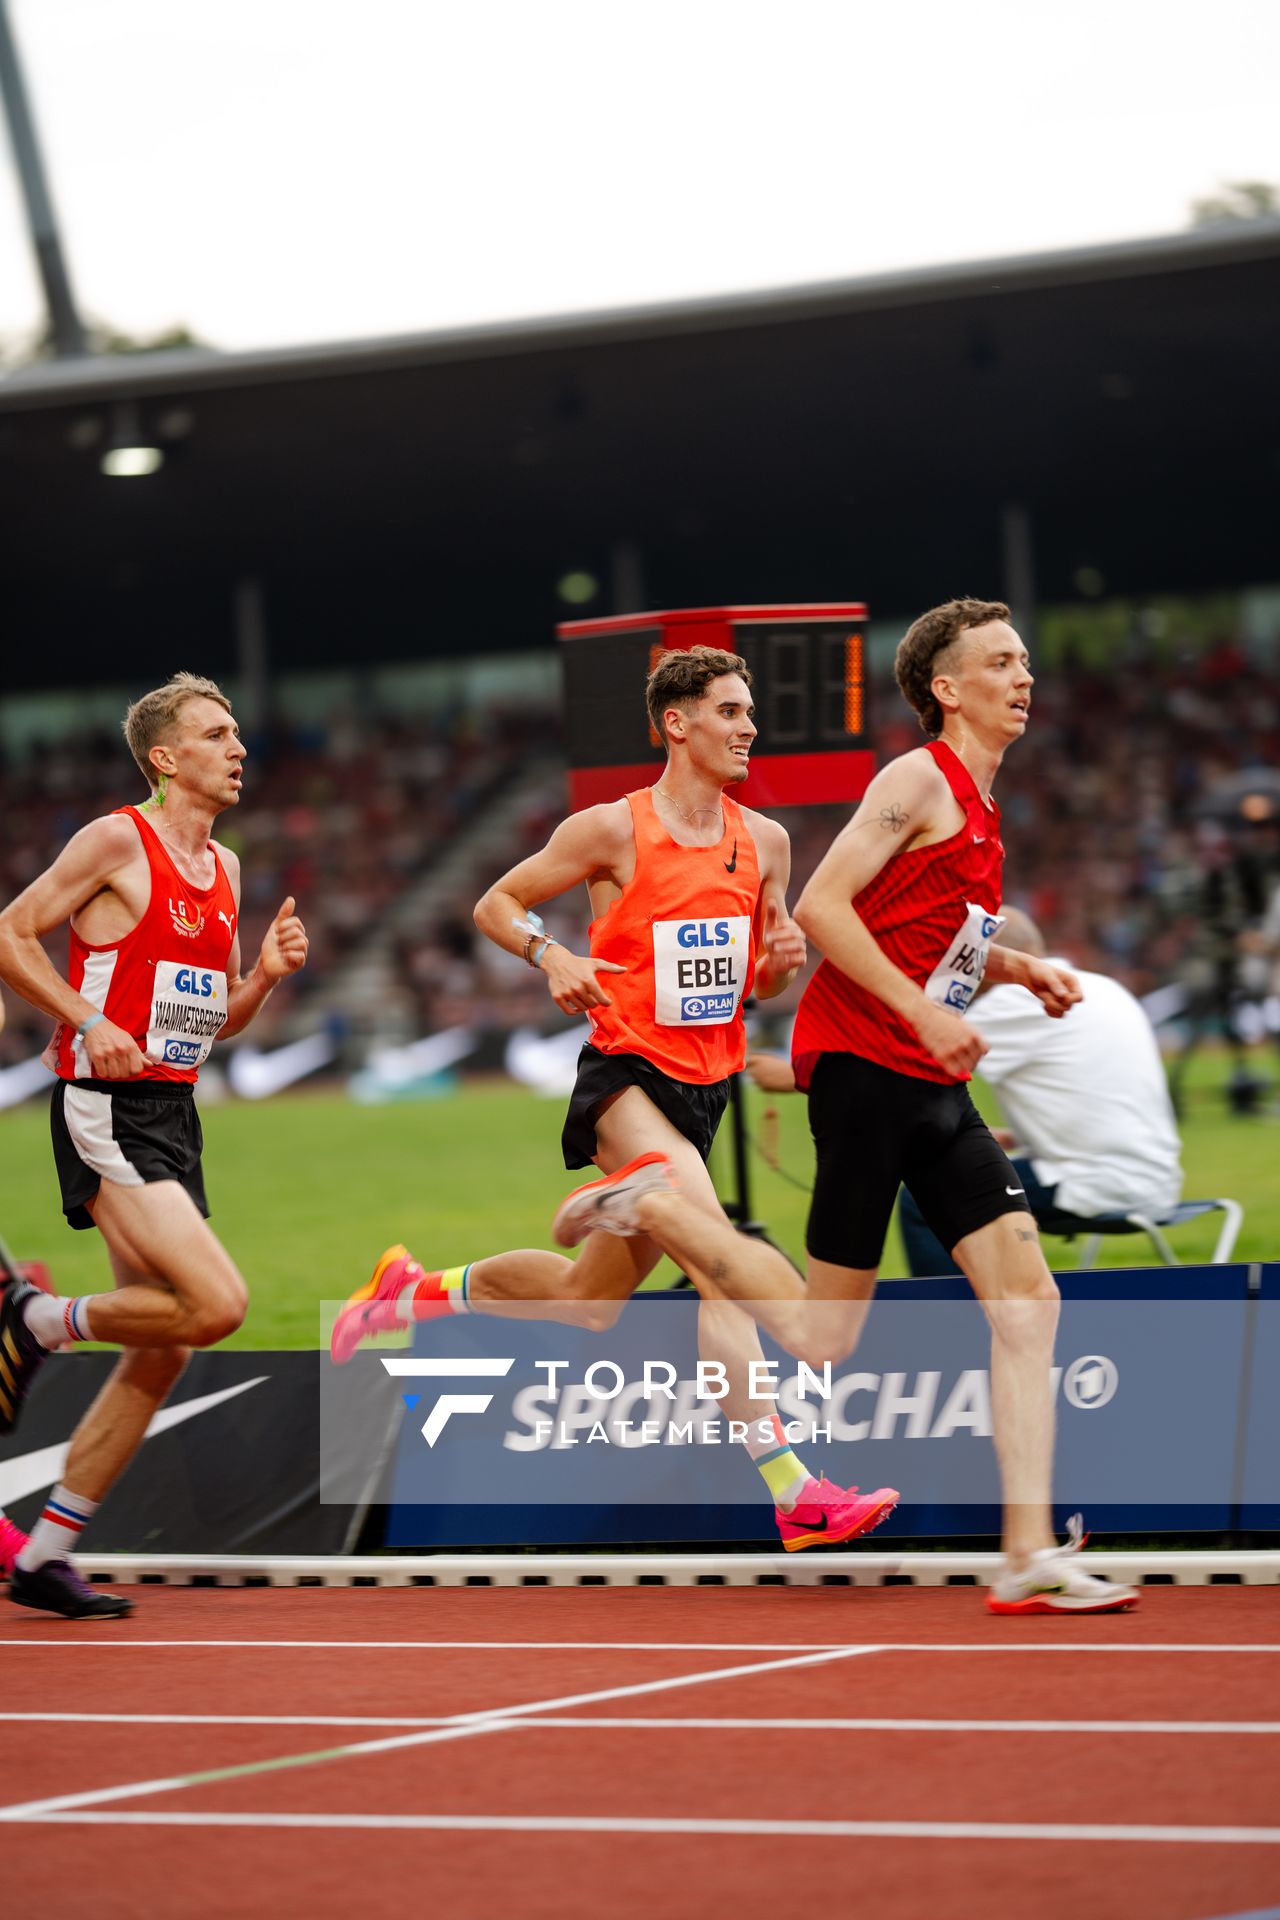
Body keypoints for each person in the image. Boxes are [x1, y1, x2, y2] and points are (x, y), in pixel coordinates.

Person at [490, 600, 1136, 1614]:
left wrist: (1013, 967)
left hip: (921, 1078)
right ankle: (648, 1206)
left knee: (1027, 1302)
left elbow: (912, 937)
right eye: (1000, 663)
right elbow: (828, 911)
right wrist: (919, 1011)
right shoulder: (915, 779)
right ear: (945, 687)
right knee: (820, 1339)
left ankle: (1022, 1557)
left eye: (1025, 663)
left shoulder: (967, 803)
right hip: (865, 1074)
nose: (1024, 679)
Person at [332, 645, 898, 1548]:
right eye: (730, 711)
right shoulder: (611, 829)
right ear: (677, 724)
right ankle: (795, 1492)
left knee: (584, 1305)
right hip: (625, 1078)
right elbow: (496, 904)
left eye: (751, 712)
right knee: (721, 1260)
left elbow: (753, 981)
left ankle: (412, 1289)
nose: (750, 727)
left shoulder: (770, 844)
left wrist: (778, 966)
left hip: (706, 1089)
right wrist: (550, 952)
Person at [0, 673, 308, 1618]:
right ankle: (37, 1321)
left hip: (173, 1113)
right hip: (103, 1106)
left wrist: (258, 978)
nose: (238, 748)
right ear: (167, 758)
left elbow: (203, 1028)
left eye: (238, 734)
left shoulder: (227, 871)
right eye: (217, 735)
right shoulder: (115, 839)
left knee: (162, 1345)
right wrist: (86, 1017)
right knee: (215, 1304)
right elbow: (12, 933)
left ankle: (43, 1555)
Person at [897, 908, 1183, 1276]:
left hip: (1093, 1182)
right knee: (968, 1178)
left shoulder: (1012, 1001)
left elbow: (910, 1056)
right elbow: (1098, 1096)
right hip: (1156, 1179)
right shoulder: (1105, 986)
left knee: (928, 1194)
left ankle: (946, 1328)